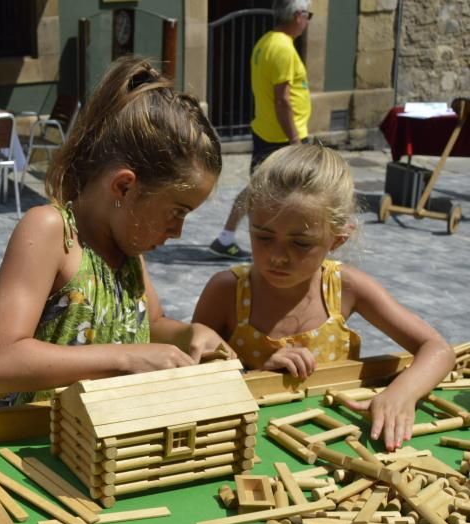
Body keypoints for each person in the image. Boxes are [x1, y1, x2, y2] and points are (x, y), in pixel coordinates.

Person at [0, 57, 231, 408]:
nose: (177, 232)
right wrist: (126, 358)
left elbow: (152, 322)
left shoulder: (128, 250)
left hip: (99, 441)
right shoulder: (51, 231)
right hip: (27, 443)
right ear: (125, 188)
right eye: (176, 212)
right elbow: (1, 362)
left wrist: (191, 333)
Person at [192, 143, 455, 451]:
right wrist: (253, 374)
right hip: (248, 446)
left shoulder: (346, 288)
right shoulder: (227, 292)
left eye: (301, 243)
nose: (277, 256)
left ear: (337, 240)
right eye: (263, 237)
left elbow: (438, 349)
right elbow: (195, 378)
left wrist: (402, 393)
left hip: (335, 447)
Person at [208, 0, 313, 260]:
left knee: (259, 188)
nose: (308, 21)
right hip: (281, 136)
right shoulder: (283, 49)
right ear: (298, 15)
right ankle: (288, 242)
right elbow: (283, 99)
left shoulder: (266, 42)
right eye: (308, 15)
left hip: (266, 130)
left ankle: (227, 237)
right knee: (292, 192)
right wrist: (295, 140)